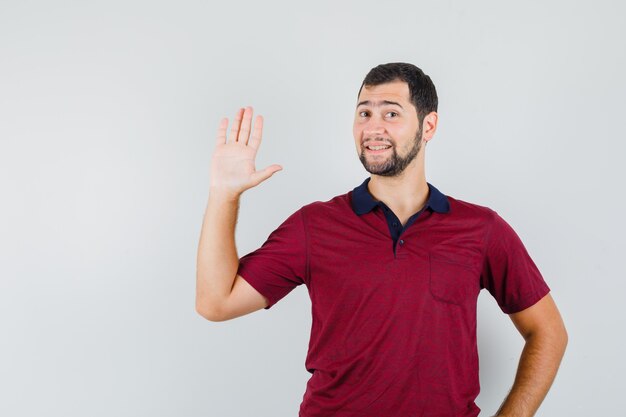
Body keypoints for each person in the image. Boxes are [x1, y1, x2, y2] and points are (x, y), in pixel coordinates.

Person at [195, 63, 568, 417]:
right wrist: (224, 195)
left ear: (429, 125)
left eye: (391, 114)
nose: (373, 128)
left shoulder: (481, 228)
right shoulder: (314, 225)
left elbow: (548, 332)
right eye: (364, 113)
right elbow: (216, 302)